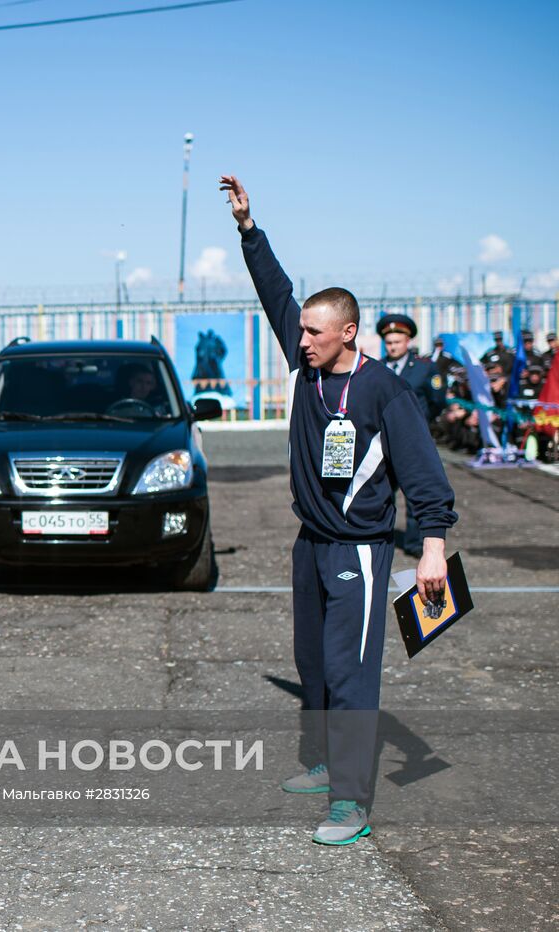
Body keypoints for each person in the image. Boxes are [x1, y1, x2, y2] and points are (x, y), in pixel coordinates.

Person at [222, 174, 457, 846]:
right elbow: (277, 292)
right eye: (301, 331)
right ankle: (327, 765)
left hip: (361, 548)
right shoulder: (306, 373)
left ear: (349, 333)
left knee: (354, 674)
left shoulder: (383, 390)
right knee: (316, 664)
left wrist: (433, 543)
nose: (302, 339)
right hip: (310, 543)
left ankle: (351, 802)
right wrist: (249, 228)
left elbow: (423, 473)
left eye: (317, 332)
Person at [376, 313, 446, 557]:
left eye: (397, 342)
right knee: (383, 493)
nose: (393, 347)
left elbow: (437, 401)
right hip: (383, 443)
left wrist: (421, 424)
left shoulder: (425, 368)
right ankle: (382, 536)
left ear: (408, 342)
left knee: (417, 494)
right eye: (389, 342)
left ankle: (415, 543)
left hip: (414, 443)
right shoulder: (377, 368)